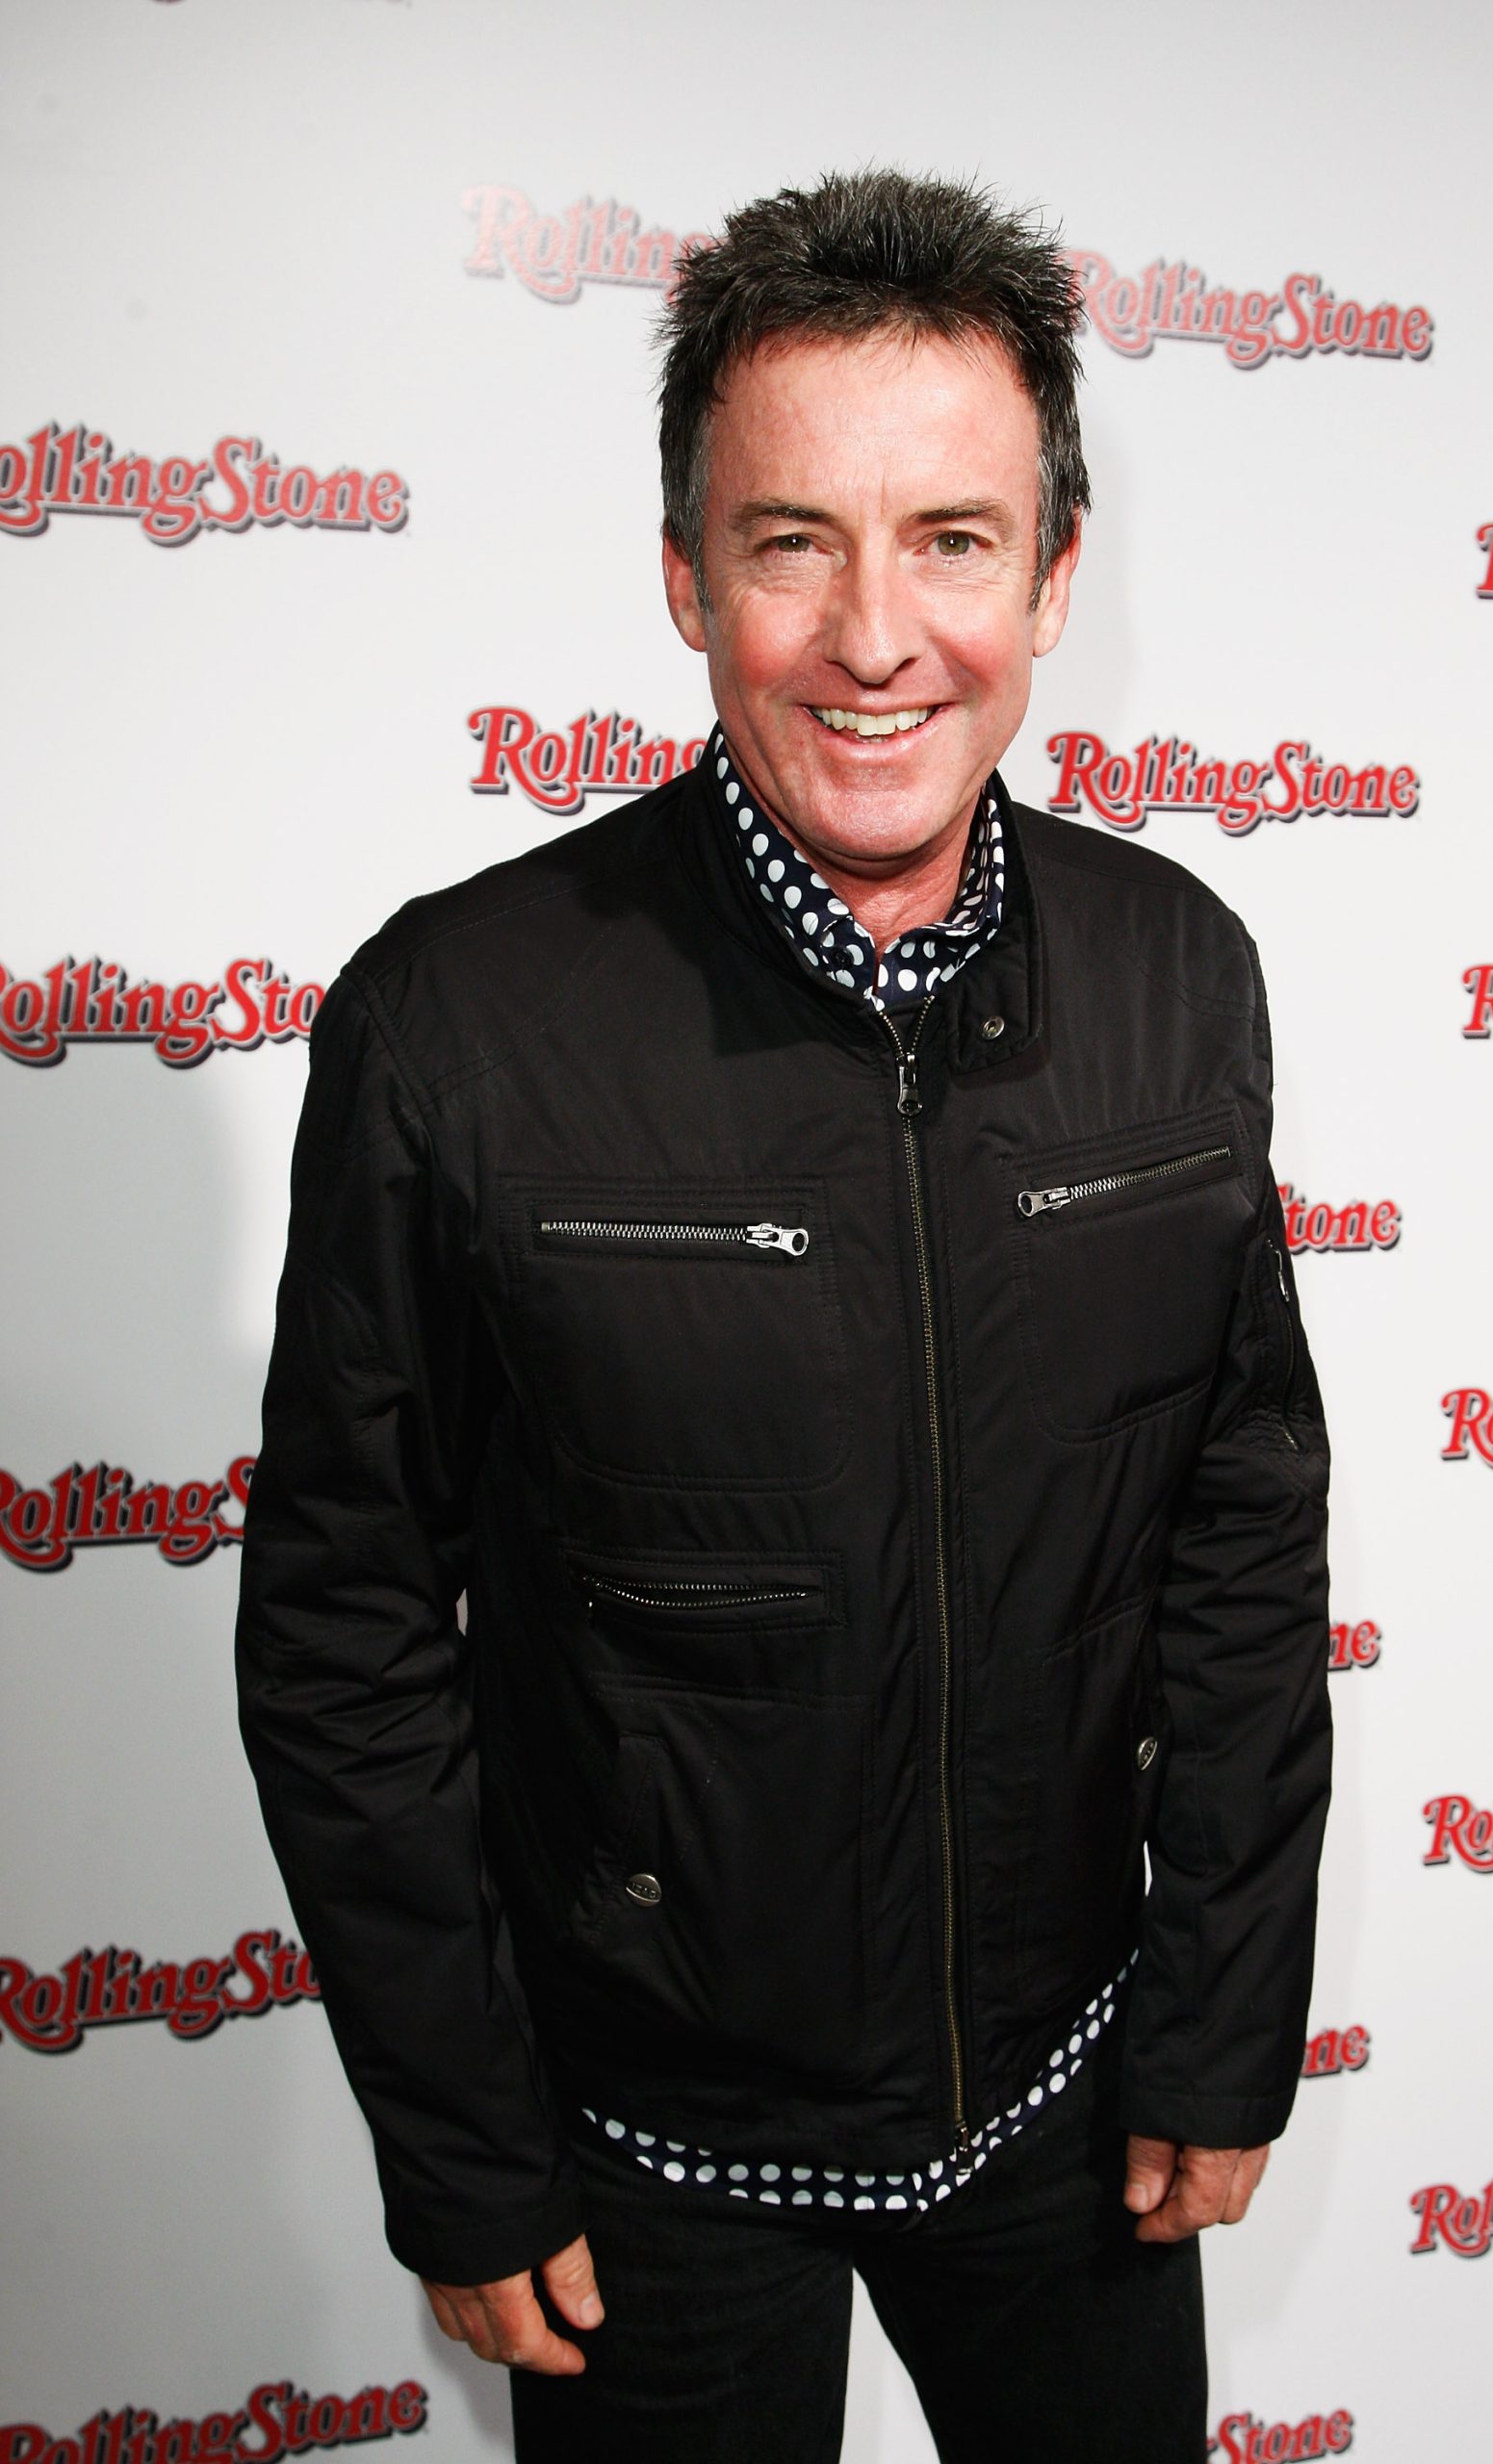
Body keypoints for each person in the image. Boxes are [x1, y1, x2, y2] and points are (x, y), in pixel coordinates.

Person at [236, 168, 1331, 2463]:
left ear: (1051, 576)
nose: (873, 637)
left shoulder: (1177, 975)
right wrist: (465, 2136)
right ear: (683, 575)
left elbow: (1233, 1531)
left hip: (1072, 2102)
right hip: (646, 2153)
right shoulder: (457, 1023)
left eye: (950, 539)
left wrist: (1224, 2008)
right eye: (790, 542)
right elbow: (345, 1625)